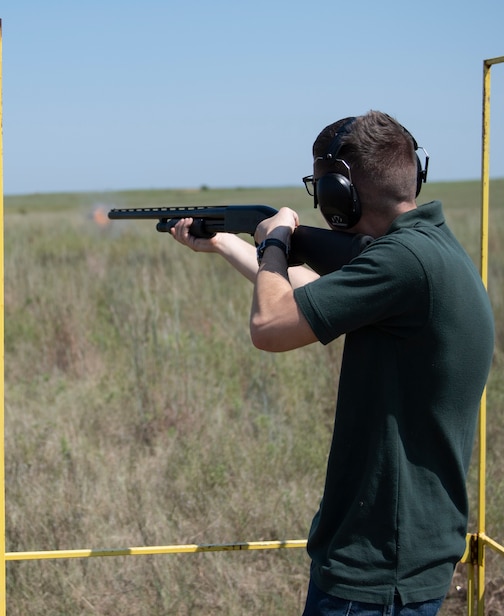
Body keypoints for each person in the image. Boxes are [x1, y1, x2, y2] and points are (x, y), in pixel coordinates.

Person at [168, 110, 494, 615]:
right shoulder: (426, 251)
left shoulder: (401, 262)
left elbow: (270, 327)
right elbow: (315, 298)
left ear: (341, 194)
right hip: (399, 554)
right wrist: (228, 243)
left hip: (376, 567)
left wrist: (275, 240)